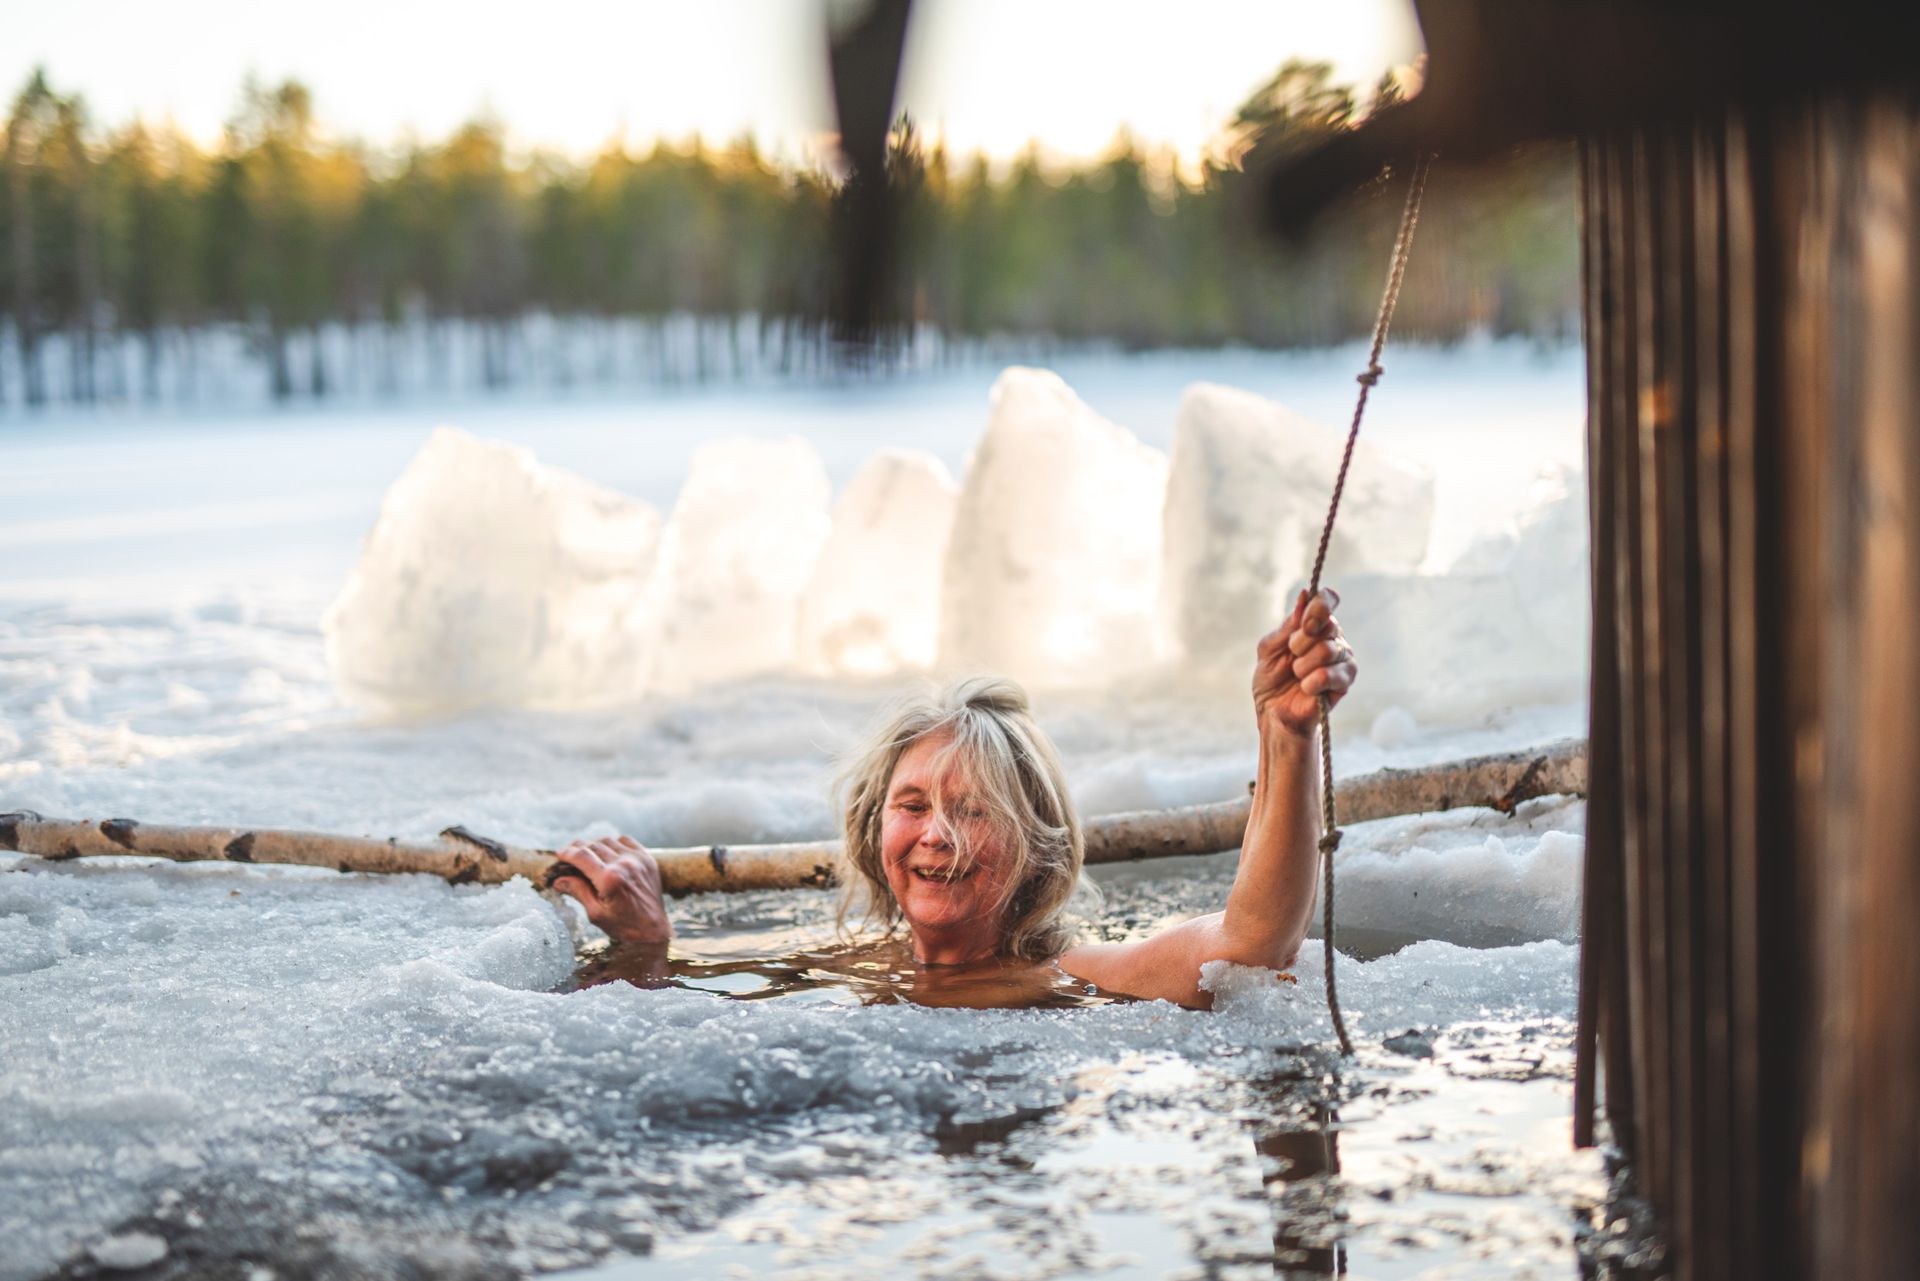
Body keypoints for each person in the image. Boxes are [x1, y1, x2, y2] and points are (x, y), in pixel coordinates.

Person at [551, 588, 1356, 1009]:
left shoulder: (1072, 976)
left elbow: (1250, 941)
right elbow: (681, 1011)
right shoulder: (850, 965)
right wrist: (643, 943)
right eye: (912, 805)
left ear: (1038, 847)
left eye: (975, 810)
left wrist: (1284, 737)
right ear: (874, 832)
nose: (938, 834)